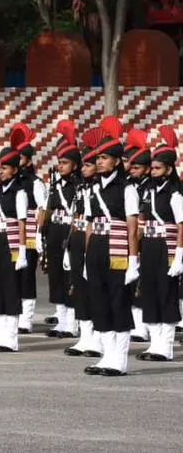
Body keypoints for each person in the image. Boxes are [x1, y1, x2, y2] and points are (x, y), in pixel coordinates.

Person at [82, 117, 140, 377]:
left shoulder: (127, 189)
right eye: (98, 158)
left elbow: (132, 227)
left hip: (117, 249)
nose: (99, 162)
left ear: (117, 161)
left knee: (118, 301)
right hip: (96, 249)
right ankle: (106, 355)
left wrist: (133, 260)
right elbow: (90, 225)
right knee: (99, 301)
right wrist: (85, 257)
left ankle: (119, 359)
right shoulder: (91, 189)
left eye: (104, 158)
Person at [135, 125, 182, 362]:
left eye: (157, 168)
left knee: (166, 293)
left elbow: (182, 225)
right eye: (151, 168)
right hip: (151, 244)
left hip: (168, 244)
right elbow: (142, 221)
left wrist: (179, 256)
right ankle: (154, 344)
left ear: (169, 168)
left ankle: (166, 346)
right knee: (150, 292)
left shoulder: (175, 193)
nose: (152, 172)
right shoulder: (148, 190)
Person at [0, 132, 29, 353]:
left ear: (15, 170)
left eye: (5, 168)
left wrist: (21, 250)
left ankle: (11, 337)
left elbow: (21, 222)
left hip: (10, 242)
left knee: (10, 288)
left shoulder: (19, 192)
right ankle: (0, 335)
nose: (0, 171)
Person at [65, 127, 104, 358]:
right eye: (85, 165)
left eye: (89, 164)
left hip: (95, 239)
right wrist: (68, 246)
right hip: (78, 238)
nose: (85, 168)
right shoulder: (81, 187)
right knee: (80, 287)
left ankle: (98, 338)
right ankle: (85, 336)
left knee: (95, 289)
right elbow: (74, 217)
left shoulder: (99, 189)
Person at [45, 119, 83, 339]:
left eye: (65, 163)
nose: (61, 166)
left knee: (71, 278)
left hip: (72, 231)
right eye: (59, 162)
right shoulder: (56, 185)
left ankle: (72, 324)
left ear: (75, 165)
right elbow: (50, 211)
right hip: (56, 231)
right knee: (56, 277)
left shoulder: (80, 185)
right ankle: (61, 320)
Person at [9, 123, 47, 335]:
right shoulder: (10, 182)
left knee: (26, 277)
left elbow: (42, 208)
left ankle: (26, 317)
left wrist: (39, 233)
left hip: (30, 236)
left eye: (20, 158)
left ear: (28, 160)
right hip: (12, 235)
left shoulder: (35, 183)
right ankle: (14, 313)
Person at [123, 129, 153, 344]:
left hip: (148, 238)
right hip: (130, 238)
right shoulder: (129, 185)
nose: (131, 170)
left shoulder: (151, 187)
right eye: (130, 166)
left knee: (144, 282)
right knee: (131, 283)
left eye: (136, 167)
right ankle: (135, 323)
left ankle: (143, 326)